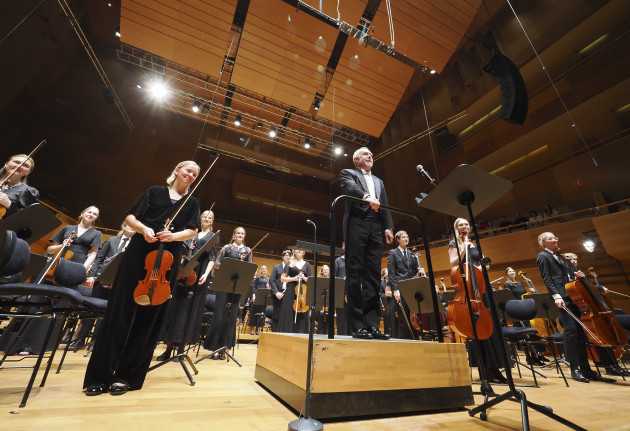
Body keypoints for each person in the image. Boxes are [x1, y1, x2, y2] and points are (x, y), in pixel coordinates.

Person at [83, 160, 201, 396]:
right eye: (188, 170)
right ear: (176, 170)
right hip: (139, 251)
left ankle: (127, 377)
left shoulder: (192, 202)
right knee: (119, 312)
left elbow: (193, 229)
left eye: (195, 174)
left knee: (149, 318)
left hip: (169, 255)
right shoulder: (154, 192)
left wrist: (174, 235)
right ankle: (100, 376)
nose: (191, 175)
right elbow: (130, 217)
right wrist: (144, 229)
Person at [536, 232, 614, 383]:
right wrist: (556, 296)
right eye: (551, 238)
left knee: (580, 334)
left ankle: (586, 369)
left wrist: (577, 276)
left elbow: (567, 276)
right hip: (562, 298)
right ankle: (574, 369)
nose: (555, 239)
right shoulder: (543, 256)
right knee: (571, 331)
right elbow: (547, 277)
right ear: (543, 242)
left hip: (574, 298)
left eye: (555, 237)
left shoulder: (562, 256)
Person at [339, 147, 393, 340]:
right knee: (355, 275)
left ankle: (372, 325)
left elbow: (384, 202)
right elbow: (350, 188)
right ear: (356, 159)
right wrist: (366, 196)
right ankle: (357, 325)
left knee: (373, 277)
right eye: (365, 154)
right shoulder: (348, 173)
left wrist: (388, 227)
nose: (370, 155)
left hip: (376, 228)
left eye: (371, 154)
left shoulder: (379, 181)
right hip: (356, 225)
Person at [449, 217, 508, 384]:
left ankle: (494, 368)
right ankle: (485, 369)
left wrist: (483, 265)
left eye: (466, 224)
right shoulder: (454, 243)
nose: (464, 226)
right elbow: (454, 263)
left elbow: (480, 262)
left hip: (480, 287)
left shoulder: (474, 243)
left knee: (488, 323)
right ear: (456, 228)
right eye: (461, 224)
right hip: (468, 287)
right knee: (475, 327)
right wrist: (463, 249)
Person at [157, 209, 219, 360]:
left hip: (199, 273)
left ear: (212, 221)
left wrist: (206, 273)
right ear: (200, 218)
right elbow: (181, 249)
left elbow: (212, 258)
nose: (206, 219)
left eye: (209, 217)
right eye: (204, 216)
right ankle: (168, 349)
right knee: (174, 308)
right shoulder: (191, 233)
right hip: (183, 271)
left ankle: (181, 351)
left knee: (189, 312)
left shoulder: (213, 237)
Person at [561, 252, 628, 377]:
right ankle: (605, 365)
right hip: (576, 313)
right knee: (596, 335)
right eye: (571, 259)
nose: (574, 261)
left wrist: (589, 283)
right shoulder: (564, 277)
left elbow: (588, 289)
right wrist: (599, 288)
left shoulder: (579, 275)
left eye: (575, 259)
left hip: (589, 312)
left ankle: (612, 365)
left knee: (603, 334)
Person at [73, 222, 135, 352]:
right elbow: (99, 259)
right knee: (92, 310)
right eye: (129, 225)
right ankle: (80, 339)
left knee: (107, 311)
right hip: (101, 279)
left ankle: (96, 341)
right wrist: (92, 276)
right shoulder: (112, 240)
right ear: (123, 227)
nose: (131, 227)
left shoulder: (135, 245)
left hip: (119, 281)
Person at [203, 227, 252, 360]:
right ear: (234, 235)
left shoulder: (248, 251)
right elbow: (217, 263)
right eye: (238, 233)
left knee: (231, 318)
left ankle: (224, 348)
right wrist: (228, 265)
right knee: (219, 316)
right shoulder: (227, 247)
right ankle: (214, 347)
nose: (240, 235)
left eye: (242, 233)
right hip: (224, 285)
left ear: (244, 236)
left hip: (237, 289)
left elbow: (250, 269)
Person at [387, 230, 422, 339]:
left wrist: (420, 272)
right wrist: (395, 290)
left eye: (407, 236)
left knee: (414, 317)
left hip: (412, 289)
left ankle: (416, 340)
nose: (406, 238)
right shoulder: (392, 253)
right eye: (403, 237)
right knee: (403, 318)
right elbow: (392, 274)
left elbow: (415, 272)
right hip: (400, 289)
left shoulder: (412, 254)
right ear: (398, 240)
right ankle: (405, 343)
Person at [278, 248, 312, 334]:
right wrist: (294, 278)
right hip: (291, 290)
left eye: (301, 249)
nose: (299, 251)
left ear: (304, 252)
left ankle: (301, 334)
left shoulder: (307, 264)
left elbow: (311, 281)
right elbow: (282, 279)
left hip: (302, 292)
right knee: (289, 313)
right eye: (297, 249)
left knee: (302, 314)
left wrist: (303, 277)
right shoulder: (289, 264)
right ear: (294, 252)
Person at [0, 153, 39, 218]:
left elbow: (26, 218)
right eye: (16, 162)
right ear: (6, 164)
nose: (19, 166)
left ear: (28, 172)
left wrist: (9, 204)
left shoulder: (28, 191)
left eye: (25, 165)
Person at [269, 250, 291, 332]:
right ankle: (275, 333)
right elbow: (271, 281)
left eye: (289, 255)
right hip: (278, 295)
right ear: (283, 257)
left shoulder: (292, 268)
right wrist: (276, 292)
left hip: (288, 295)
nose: (288, 257)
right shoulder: (276, 267)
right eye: (286, 255)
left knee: (286, 316)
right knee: (277, 315)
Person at [248, 265, 270, 335]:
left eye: (265, 269)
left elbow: (268, 289)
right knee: (253, 313)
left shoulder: (268, 279)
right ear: (261, 270)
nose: (264, 270)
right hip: (257, 297)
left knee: (260, 314)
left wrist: (268, 287)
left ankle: (257, 329)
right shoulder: (257, 278)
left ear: (266, 271)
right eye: (262, 269)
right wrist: (254, 295)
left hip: (263, 299)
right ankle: (252, 329)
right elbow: (254, 287)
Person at [333, 242, 349, 336]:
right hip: (341, 291)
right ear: (342, 247)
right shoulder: (338, 260)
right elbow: (334, 277)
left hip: (351, 291)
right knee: (342, 316)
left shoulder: (354, 260)